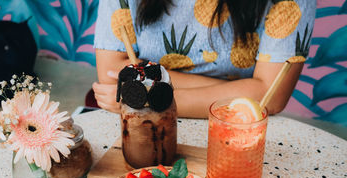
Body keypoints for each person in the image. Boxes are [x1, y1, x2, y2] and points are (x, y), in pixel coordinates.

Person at [92, 0, 316, 118]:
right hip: (141, 125)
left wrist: (148, 98)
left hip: (239, 128)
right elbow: (112, 71)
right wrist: (242, 90)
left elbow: (272, 97)